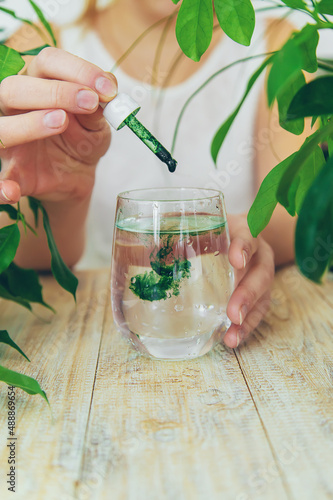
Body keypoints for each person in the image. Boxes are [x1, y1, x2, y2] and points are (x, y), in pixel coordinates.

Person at [0, 0, 309, 349]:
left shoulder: (280, 47)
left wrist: (250, 237)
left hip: (212, 317)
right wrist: (57, 198)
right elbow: (26, 258)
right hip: (78, 335)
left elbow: (293, 212)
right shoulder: (33, 53)